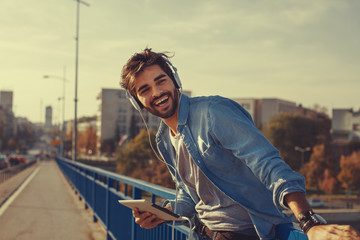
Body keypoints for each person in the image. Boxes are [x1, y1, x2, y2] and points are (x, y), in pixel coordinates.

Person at [120, 48, 360, 240]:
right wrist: (164, 212)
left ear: (174, 80)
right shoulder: (164, 139)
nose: (157, 92)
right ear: (138, 102)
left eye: (161, 81)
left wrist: (309, 222)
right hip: (201, 232)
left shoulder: (213, 113)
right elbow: (190, 196)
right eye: (145, 90)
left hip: (243, 233)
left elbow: (268, 164)